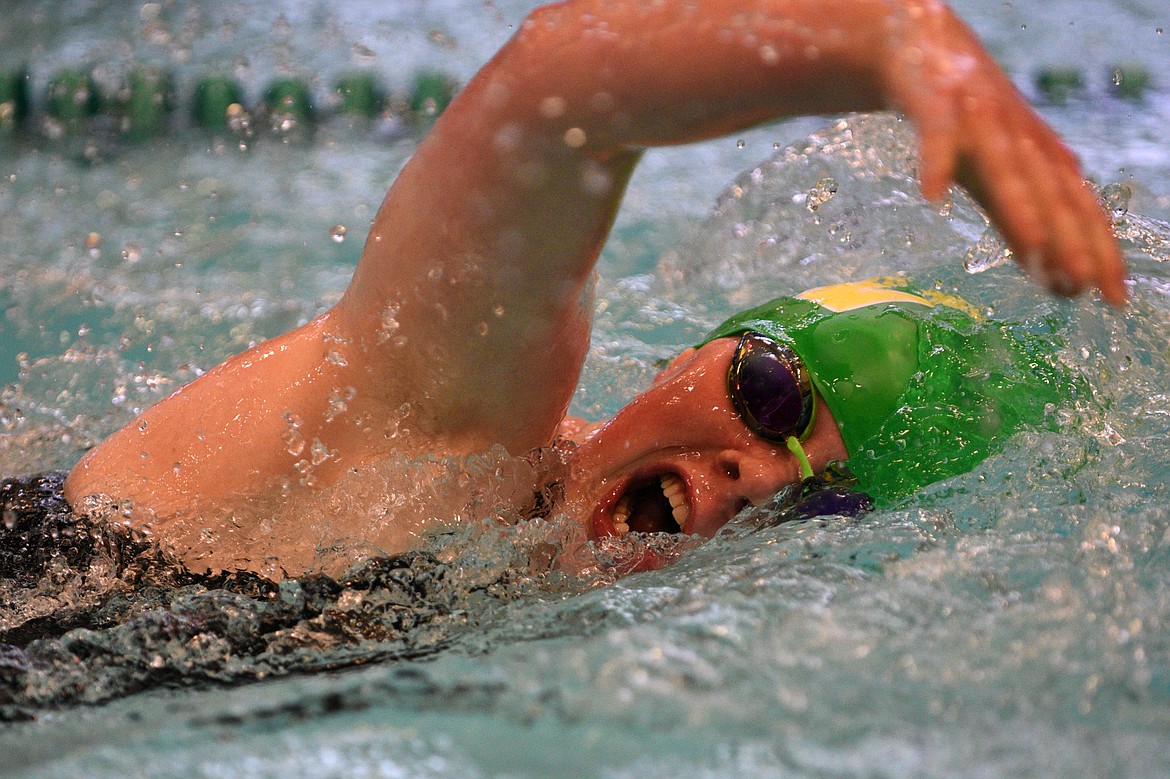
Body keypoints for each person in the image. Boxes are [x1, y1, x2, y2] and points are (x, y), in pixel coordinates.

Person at [60, 0, 1125, 576]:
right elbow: (558, 86)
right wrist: (889, 35)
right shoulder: (461, 424)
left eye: (823, 498)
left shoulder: (522, 593)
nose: (751, 477)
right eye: (770, 395)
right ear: (697, 352)